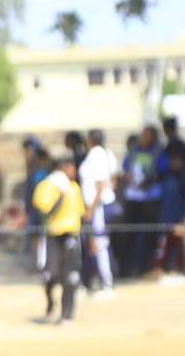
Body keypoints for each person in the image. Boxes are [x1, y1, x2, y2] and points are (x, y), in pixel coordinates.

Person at [33, 157, 85, 326]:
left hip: (71, 235)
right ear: (62, 168)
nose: (74, 171)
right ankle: (50, 304)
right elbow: (46, 210)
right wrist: (61, 193)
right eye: (71, 167)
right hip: (52, 236)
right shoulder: (47, 186)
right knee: (50, 274)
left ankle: (66, 315)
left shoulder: (74, 187)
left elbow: (81, 213)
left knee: (70, 277)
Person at [120, 125, 163, 277]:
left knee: (148, 235)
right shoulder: (133, 151)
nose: (144, 137)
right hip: (132, 197)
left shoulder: (157, 152)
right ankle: (125, 269)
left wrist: (148, 181)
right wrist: (128, 177)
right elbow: (125, 169)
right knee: (128, 234)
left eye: (148, 134)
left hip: (150, 199)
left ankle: (145, 268)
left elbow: (162, 171)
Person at [78, 129, 116, 298]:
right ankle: (89, 280)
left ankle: (107, 284)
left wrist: (91, 209)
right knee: (91, 244)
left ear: (90, 139)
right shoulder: (103, 153)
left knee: (99, 244)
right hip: (96, 205)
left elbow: (101, 184)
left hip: (98, 206)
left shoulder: (97, 154)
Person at [148, 141, 185, 276]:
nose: (172, 162)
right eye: (170, 158)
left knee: (179, 243)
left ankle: (177, 268)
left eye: (175, 158)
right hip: (167, 218)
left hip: (181, 218)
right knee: (164, 242)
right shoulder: (166, 175)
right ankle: (160, 267)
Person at [23, 136, 47, 269]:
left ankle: (41, 264)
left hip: (39, 210)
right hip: (32, 210)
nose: (26, 155)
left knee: (40, 236)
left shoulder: (40, 172)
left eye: (29, 151)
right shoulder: (31, 169)